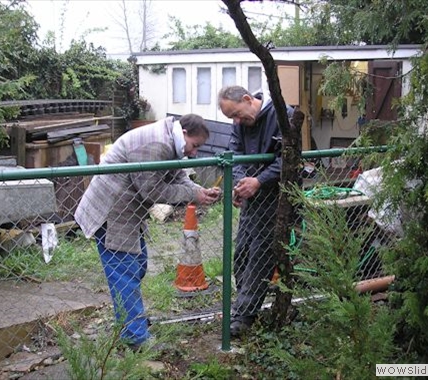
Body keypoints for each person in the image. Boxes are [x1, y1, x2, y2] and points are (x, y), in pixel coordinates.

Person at [75, 114, 221, 348]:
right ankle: (135, 337)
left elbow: (178, 175)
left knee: (138, 264)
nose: (194, 152)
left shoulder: (171, 141)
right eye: (195, 146)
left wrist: (199, 190)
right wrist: (194, 195)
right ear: (184, 133)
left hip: (127, 214)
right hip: (111, 213)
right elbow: (152, 191)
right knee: (125, 272)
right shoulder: (155, 144)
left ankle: (130, 321)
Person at [218, 85, 294, 337]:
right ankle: (245, 304)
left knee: (260, 256)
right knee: (241, 254)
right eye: (232, 119)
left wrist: (259, 180)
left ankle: (243, 317)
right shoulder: (239, 124)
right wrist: (240, 184)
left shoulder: (285, 115)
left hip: (276, 198)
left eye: (237, 114)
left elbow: (289, 159)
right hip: (251, 198)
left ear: (249, 99)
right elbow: (235, 153)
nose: (237, 122)